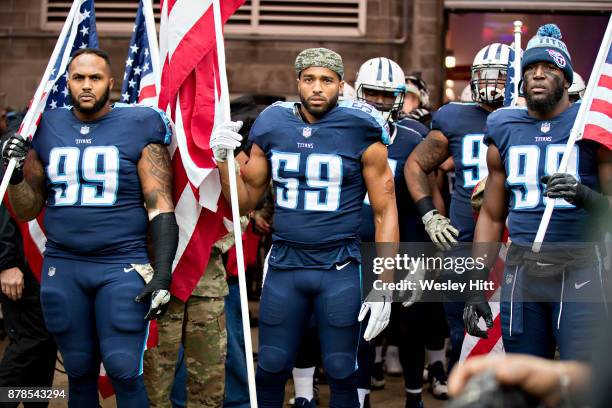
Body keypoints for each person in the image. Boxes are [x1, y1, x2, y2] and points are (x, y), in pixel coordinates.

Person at [210, 47, 399, 408]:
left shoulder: (363, 127)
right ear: (297, 82)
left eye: (327, 80)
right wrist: (225, 160)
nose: (317, 87)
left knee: (343, 369)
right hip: (285, 262)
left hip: (340, 265)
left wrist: (384, 285)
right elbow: (246, 199)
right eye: (309, 79)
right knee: (271, 365)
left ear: (341, 86)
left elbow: (385, 211)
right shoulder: (272, 122)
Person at [2, 48, 177, 407]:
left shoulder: (138, 124)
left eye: (95, 78)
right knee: (79, 370)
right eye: (78, 77)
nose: (86, 85)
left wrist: (162, 273)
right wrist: (17, 174)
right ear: (67, 81)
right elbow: (27, 208)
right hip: (64, 264)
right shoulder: (47, 125)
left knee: (123, 369)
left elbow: (160, 206)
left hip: (121, 265)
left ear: (110, 83)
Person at [463, 24, 610, 361]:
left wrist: (583, 196)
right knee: (523, 378)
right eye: (531, 69)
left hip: (580, 265)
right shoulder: (503, 126)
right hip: (523, 268)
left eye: (549, 68)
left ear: (567, 79)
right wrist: (475, 286)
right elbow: (491, 214)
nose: (538, 75)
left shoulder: (590, 125)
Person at [405, 42, 511, 370]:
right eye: (484, 76)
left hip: (515, 242)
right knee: (461, 332)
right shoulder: (454, 116)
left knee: (517, 337)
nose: (490, 85)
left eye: (500, 77)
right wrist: (431, 215)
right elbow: (416, 165)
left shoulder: (529, 120)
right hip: (463, 241)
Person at [355, 57, 449, 408]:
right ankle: (361, 395)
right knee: (362, 328)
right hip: (358, 241)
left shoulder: (414, 136)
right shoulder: (342, 130)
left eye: (387, 94)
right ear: (360, 91)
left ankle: (413, 396)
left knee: (411, 323)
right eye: (374, 93)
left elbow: (433, 188)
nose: (380, 101)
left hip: (408, 240)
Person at [0, 157, 57, 407]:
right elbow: (5, 209)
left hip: (46, 266)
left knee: (45, 346)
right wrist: (5, 264)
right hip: (19, 269)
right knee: (28, 345)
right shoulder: (15, 150)